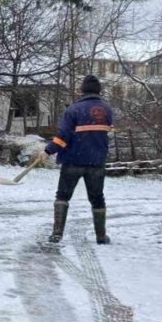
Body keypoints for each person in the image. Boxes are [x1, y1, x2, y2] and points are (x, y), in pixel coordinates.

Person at [43, 75, 114, 245]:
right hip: (96, 161)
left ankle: (57, 234)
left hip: (73, 160)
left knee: (62, 196)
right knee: (97, 198)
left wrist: (49, 150)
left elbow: (63, 136)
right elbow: (107, 134)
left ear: (82, 90)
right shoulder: (107, 110)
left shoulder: (73, 110)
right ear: (99, 90)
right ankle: (101, 236)